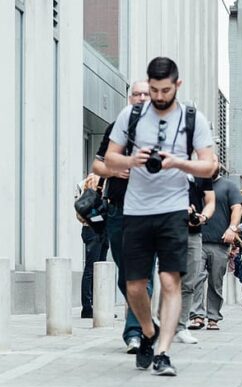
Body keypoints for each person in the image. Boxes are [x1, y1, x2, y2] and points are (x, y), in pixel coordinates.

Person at [104, 57, 217, 376]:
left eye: (165, 90)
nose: (158, 96)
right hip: (137, 210)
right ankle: (148, 332)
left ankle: (163, 352)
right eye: (153, 89)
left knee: (170, 281)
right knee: (135, 286)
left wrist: (178, 163)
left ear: (177, 85)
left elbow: (210, 166)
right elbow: (109, 159)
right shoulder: (132, 114)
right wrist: (132, 160)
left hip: (172, 210)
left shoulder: (193, 119)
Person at [92, 81, 151, 352]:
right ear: (130, 98)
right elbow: (96, 165)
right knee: (126, 274)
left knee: (143, 274)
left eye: (145, 94)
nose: (140, 98)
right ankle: (141, 319)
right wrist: (114, 172)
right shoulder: (116, 129)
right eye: (136, 94)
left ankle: (135, 332)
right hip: (117, 209)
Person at [190, 166, 242, 330]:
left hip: (220, 242)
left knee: (216, 281)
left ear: (219, 167)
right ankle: (197, 316)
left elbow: (237, 208)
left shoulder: (228, 186)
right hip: (197, 239)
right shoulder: (195, 185)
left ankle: (213, 317)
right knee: (196, 279)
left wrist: (232, 228)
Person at [174, 175, 215, 344]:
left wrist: (202, 217)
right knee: (169, 279)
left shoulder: (201, 170)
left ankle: (181, 327)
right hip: (168, 230)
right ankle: (163, 325)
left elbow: (211, 201)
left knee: (189, 282)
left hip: (193, 233)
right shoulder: (166, 162)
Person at [77, 173, 109, 319]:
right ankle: (88, 307)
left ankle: (95, 307)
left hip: (92, 229)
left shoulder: (82, 183)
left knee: (98, 269)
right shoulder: (101, 183)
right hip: (95, 230)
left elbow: (79, 213)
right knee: (93, 269)